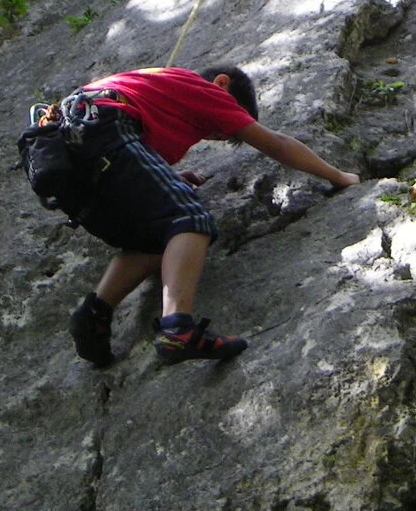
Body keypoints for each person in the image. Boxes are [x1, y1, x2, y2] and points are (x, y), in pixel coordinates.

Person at [62, 65, 359, 368]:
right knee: (189, 218)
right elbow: (278, 144)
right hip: (102, 127)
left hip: (66, 149)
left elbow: (132, 165)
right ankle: (177, 327)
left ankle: (93, 316)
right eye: (218, 128)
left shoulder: (158, 89)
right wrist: (337, 175)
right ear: (221, 84)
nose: (211, 133)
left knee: (157, 236)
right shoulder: (204, 89)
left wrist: (167, 177)